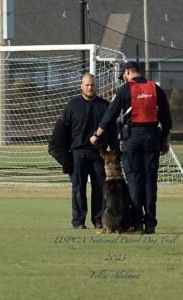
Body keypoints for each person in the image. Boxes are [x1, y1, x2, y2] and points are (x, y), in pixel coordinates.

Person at [90, 62, 172, 234]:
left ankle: (137, 224)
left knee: (134, 182)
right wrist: (165, 139)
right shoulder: (155, 89)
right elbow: (165, 116)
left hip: (132, 139)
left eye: (124, 75)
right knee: (150, 183)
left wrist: (97, 134)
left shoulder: (125, 89)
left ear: (127, 72)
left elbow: (110, 115)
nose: (124, 78)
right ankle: (150, 223)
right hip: (152, 138)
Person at [49, 73, 119, 229]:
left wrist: (115, 151)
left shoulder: (104, 106)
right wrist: (64, 156)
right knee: (78, 188)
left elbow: (112, 130)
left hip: (98, 154)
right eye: (87, 85)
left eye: (92, 85)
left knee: (100, 189)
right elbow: (63, 132)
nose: (90, 87)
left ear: (96, 86)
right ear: (81, 86)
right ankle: (78, 221)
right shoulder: (72, 106)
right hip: (78, 154)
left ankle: (99, 220)